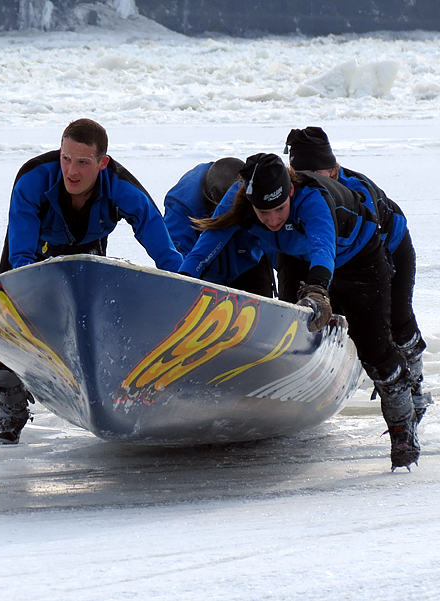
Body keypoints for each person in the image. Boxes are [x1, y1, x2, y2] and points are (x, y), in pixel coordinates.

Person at [180, 153, 420, 471]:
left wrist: (318, 291)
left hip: (358, 255)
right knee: (293, 318)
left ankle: (404, 427)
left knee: (374, 348)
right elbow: (204, 248)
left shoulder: (313, 199)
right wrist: (180, 288)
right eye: (263, 213)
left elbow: (323, 248)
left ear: (290, 192)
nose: (273, 219)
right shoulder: (238, 200)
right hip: (296, 251)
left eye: (279, 209)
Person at [0, 118, 183, 445]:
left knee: (92, 320)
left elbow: (165, 253)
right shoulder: (33, 180)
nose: (71, 171)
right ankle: (11, 409)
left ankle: (107, 394)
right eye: (66, 159)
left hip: (86, 249)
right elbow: (21, 258)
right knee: (9, 324)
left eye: (83, 162)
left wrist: (187, 292)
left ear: (102, 163)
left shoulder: (123, 189)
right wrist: (31, 301)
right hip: (33, 248)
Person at [284, 126, 430, 422]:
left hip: (388, 245)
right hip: (336, 253)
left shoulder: (356, 192)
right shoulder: (293, 196)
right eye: (301, 173)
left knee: (396, 320)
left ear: (334, 171)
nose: (308, 179)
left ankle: (414, 384)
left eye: (317, 172)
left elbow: (375, 264)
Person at [163, 157, 274, 297]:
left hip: (248, 261)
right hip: (202, 270)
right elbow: (175, 253)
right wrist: (181, 286)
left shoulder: (255, 192)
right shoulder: (182, 205)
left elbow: (276, 241)